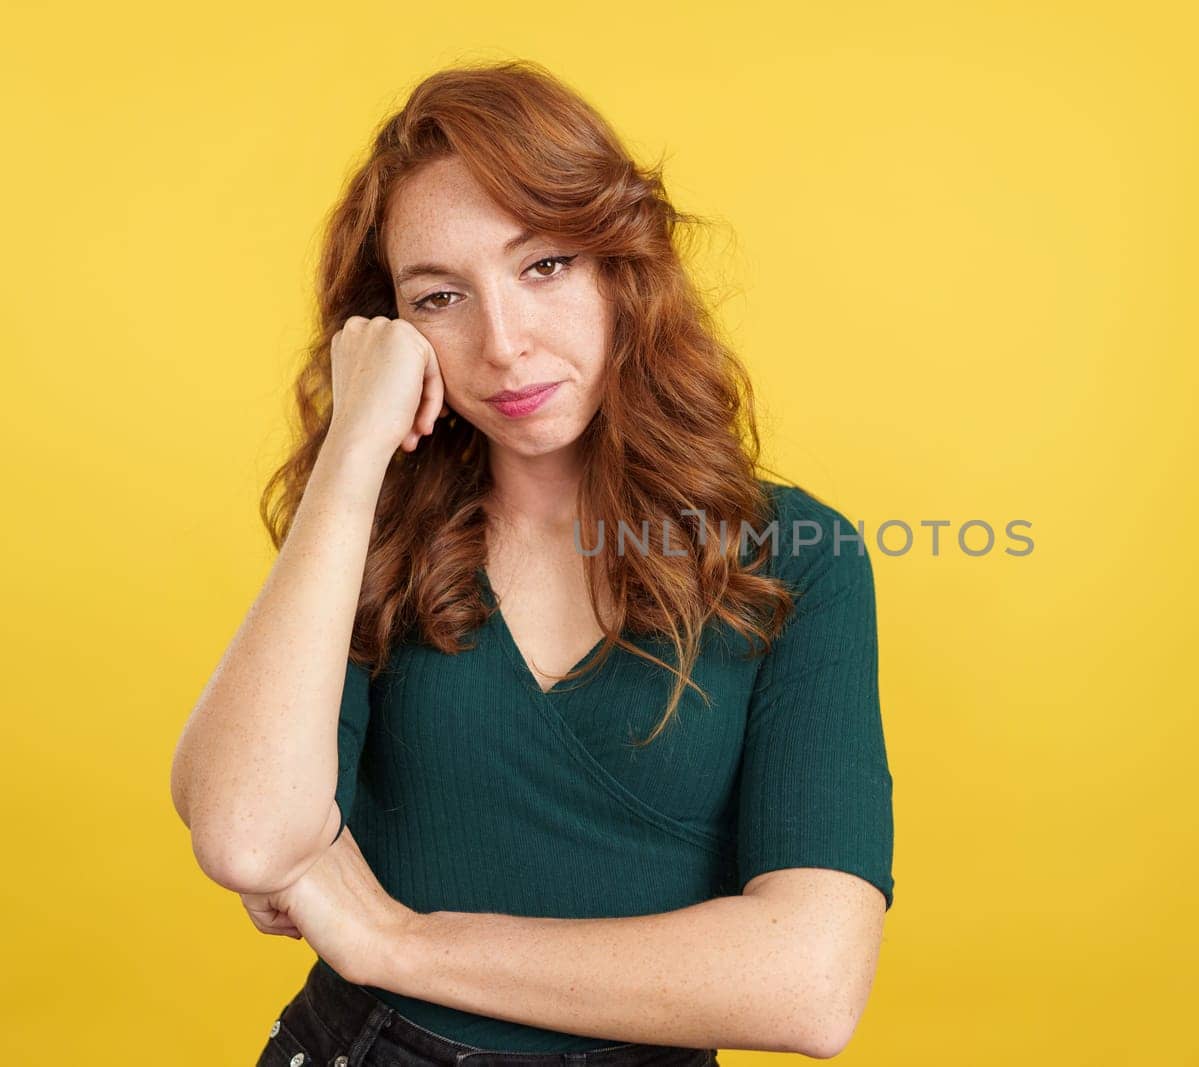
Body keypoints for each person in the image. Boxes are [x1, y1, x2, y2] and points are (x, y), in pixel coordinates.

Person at [168, 59, 894, 1066]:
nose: (503, 344)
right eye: (440, 297)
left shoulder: (790, 556)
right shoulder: (371, 535)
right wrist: (351, 454)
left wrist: (397, 940)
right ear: (391, 332)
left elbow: (808, 985)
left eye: (543, 265)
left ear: (619, 267)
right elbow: (247, 832)